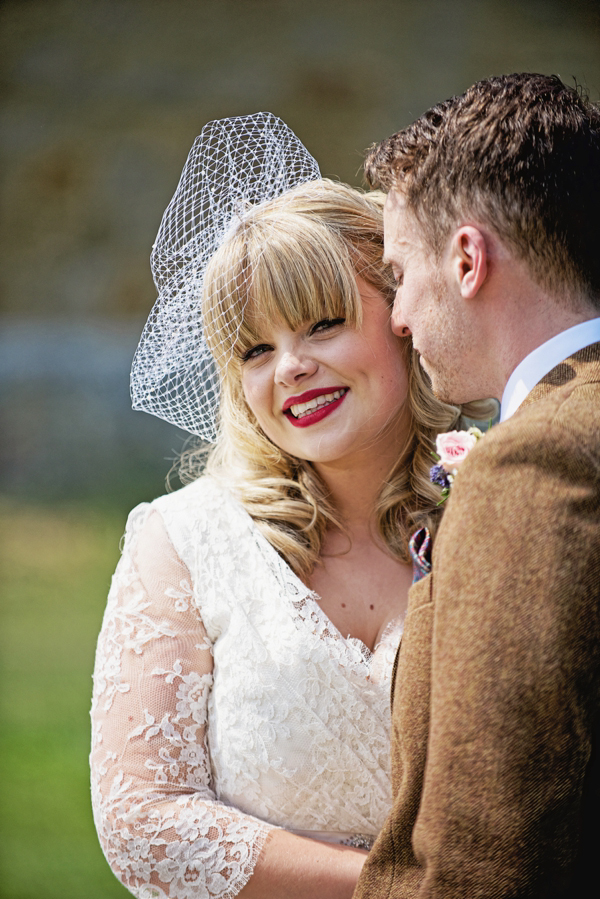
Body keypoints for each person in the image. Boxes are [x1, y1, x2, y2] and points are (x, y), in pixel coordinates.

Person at [90, 114, 482, 899]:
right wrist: (397, 888)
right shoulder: (184, 540)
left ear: (402, 317)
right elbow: (143, 819)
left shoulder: (495, 502)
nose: (292, 368)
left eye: (323, 323)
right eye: (255, 349)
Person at [353, 73, 600, 899]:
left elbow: (490, 850)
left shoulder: (538, 460)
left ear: (466, 259)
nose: (395, 317)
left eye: (399, 272)